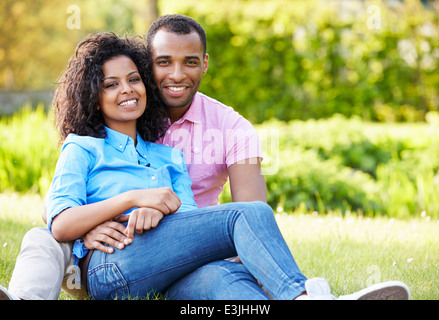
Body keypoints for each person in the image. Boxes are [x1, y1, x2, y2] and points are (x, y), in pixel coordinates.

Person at [0, 15, 410, 301]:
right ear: (96, 95)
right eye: (111, 84)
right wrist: (127, 204)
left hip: (172, 269)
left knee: (225, 282)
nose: (128, 89)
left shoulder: (167, 156)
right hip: (112, 267)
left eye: (132, 80)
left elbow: (190, 225)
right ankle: (308, 295)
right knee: (246, 214)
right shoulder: (84, 145)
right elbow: (58, 218)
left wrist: (162, 211)